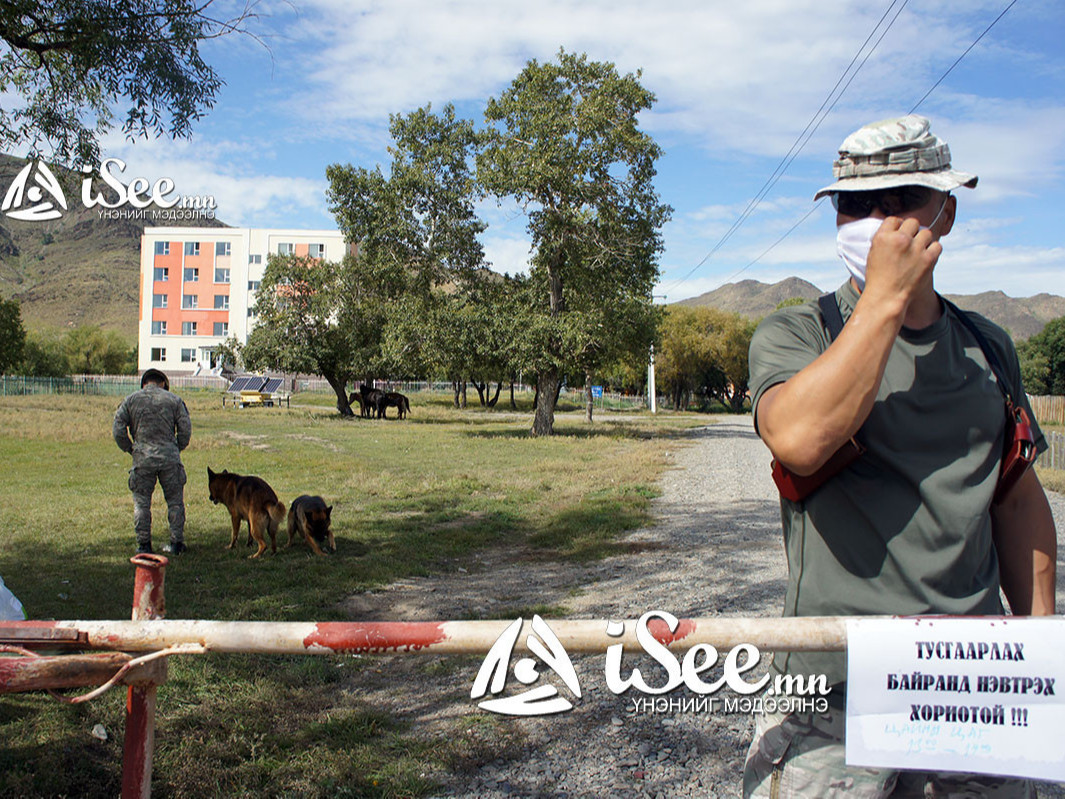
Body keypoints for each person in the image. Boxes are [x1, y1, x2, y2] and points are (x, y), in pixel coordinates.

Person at [743, 115, 1056, 798]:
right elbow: (798, 440)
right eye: (855, 206)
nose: (878, 222)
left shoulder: (986, 345)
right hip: (835, 688)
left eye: (901, 199)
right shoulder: (799, 330)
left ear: (945, 210)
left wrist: (1037, 645)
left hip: (967, 676)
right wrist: (885, 295)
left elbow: (1015, 496)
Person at [113, 369, 192, 555]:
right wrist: (175, 448)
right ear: (163, 383)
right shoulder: (174, 400)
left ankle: (144, 544)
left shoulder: (131, 400)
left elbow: (117, 429)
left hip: (142, 458)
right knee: (175, 502)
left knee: (141, 504)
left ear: (144, 383)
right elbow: (185, 430)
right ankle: (177, 544)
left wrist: (130, 448)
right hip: (169, 459)